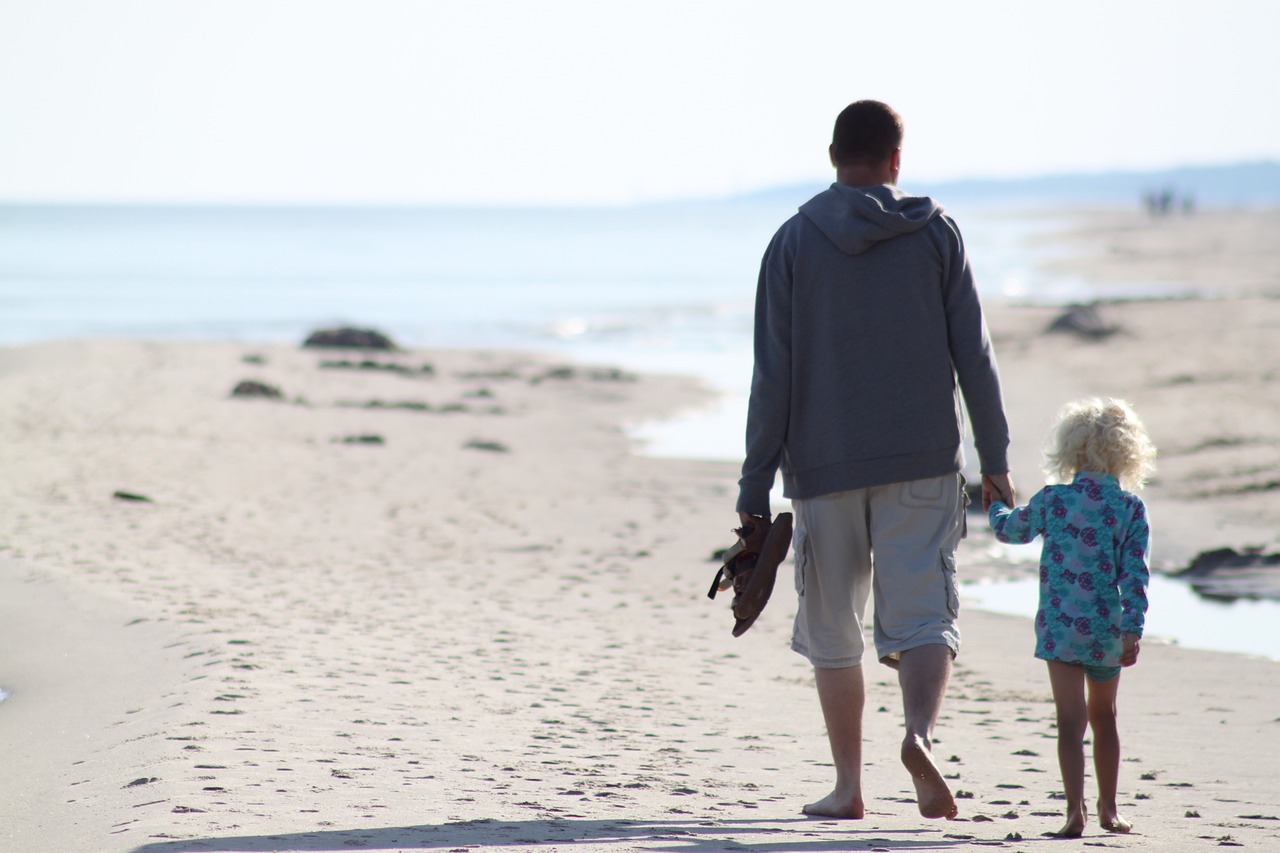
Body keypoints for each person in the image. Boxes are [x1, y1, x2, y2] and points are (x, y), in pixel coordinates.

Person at [735, 100, 1014, 821]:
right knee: (923, 617)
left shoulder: (793, 242)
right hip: (923, 459)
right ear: (897, 159)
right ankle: (918, 733)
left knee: (833, 626)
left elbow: (774, 375)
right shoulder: (936, 233)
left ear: (832, 156)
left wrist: (754, 486)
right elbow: (973, 356)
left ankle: (849, 786)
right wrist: (996, 457)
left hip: (823, 468)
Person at [988, 397, 1155, 837]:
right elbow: (1135, 574)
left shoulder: (1054, 500)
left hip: (1061, 627)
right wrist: (1132, 629)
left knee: (1069, 722)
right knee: (1106, 719)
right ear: (1127, 452)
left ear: (1070, 449)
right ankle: (1110, 809)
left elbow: (1010, 530)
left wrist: (995, 504)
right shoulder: (1130, 508)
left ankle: (1073, 813)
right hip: (1106, 630)